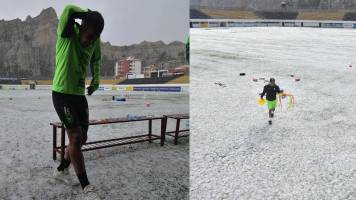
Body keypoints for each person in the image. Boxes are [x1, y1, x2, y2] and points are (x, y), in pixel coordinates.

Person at [52, 4, 104, 200]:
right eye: (89, 35)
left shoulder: (95, 40)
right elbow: (68, 9)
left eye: (95, 38)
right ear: (82, 26)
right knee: (74, 136)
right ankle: (86, 187)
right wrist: (89, 15)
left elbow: (96, 60)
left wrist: (96, 80)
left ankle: (61, 170)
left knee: (81, 139)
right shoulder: (67, 32)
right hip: (61, 93)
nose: (90, 41)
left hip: (78, 94)